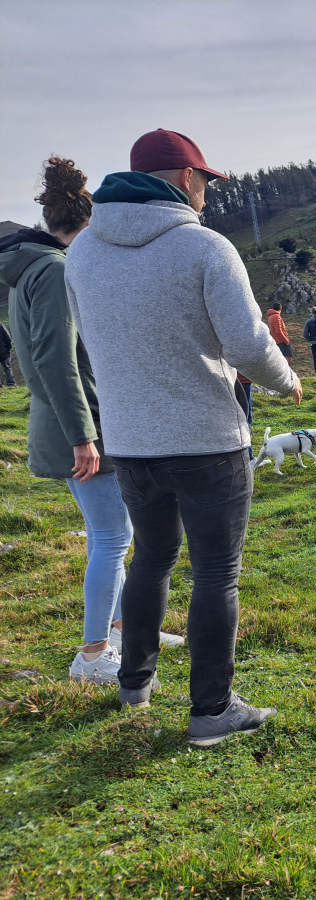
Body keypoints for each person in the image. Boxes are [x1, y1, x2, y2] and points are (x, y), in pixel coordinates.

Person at [65, 129, 301, 747]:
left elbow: (90, 339)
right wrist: (287, 384)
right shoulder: (205, 248)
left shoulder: (84, 252)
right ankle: (211, 711)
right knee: (218, 572)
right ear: (187, 179)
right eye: (206, 182)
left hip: (130, 442)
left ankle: (134, 683)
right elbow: (248, 344)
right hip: (206, 439)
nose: (207, 195)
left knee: (151, 560)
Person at [1, 157, 139, 685]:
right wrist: (85, 435)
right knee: (110, 538)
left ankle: (125, 628)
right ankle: (92, 654)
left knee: (113, 534)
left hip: (62, 422)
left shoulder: (28, 269)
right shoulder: (58, 270)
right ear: (86, 226)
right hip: (78, 429)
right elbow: (56, 359)